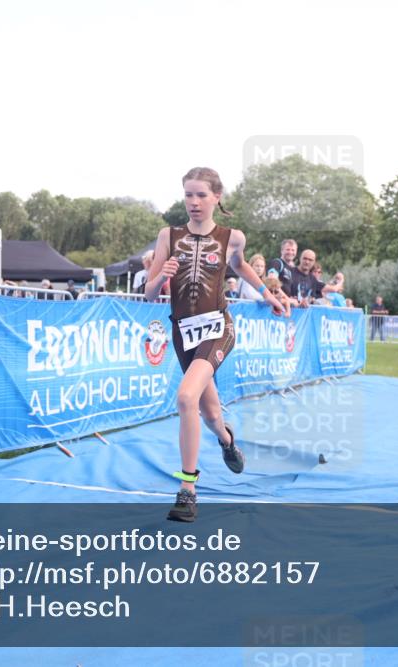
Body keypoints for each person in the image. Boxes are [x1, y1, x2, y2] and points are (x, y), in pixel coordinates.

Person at [144, 167, 286, 522]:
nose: (193, 202)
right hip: (182, 332)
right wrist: (163, 275)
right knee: (208, 414)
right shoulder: (167, 236)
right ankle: (226, 440)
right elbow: (147, 293)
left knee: (185, 397)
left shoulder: (232, 238)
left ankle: (188, 490)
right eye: (188, 195)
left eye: (201, 195)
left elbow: (240, 267)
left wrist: (269, 296)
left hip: (217, 327)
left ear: (216, 197)